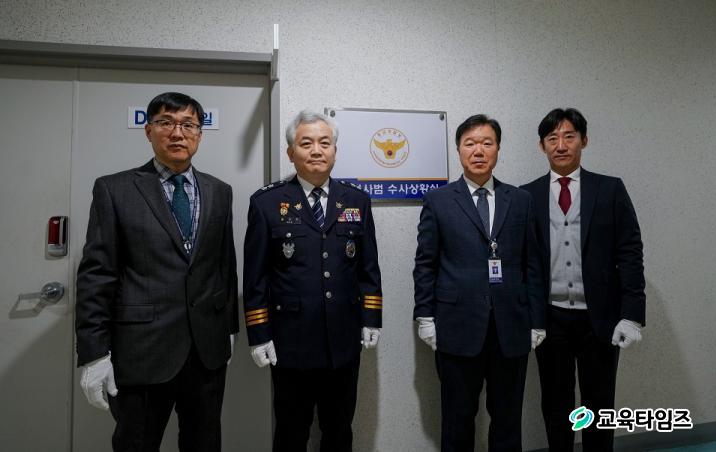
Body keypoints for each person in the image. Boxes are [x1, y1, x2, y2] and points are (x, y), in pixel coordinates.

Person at [75, 92, 238, 452]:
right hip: (142, 351)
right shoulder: (115, 189)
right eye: (166, 123)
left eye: (188, 125)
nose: (178, 133)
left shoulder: (220, 191)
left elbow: (224, 267)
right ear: (148, 131)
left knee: (204, 443)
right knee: (136, 444)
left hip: (206, 352)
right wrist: (94, 352)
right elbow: (97, 275)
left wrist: (229, 327)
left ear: (200, 134)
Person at [243, 110, 383, 452]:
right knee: (291, 431)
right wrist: (259, 334)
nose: (317, 150)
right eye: (306, 143)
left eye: (325, 143)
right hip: (291, 343)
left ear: (335, 151)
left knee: (339, 429)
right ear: (291, 152)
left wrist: (371, 318)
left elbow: (368, 269)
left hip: (344, 340)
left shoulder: (356, 201)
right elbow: (255, 277)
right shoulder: (267, 203)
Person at [413, 114, 545, 452]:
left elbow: (532, 264)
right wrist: (425, 316)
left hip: (510, 328)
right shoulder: (439, 200)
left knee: (507, 419)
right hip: (456, 327)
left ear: (498, 148)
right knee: (458, 419)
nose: (479, 151)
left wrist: (537, 320)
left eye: (487, 143)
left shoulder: (520, 200)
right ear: (458, 149)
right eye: (470, 143)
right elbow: (425, 264)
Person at [520, 108, 645, 452]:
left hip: (599, 319)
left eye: (569, 136)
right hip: (550, 319)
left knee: (600, 404)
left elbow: (630, 251)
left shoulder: (610, 189)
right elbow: (522, 262)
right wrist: (527, 317)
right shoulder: (526, 196)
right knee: (555, 404)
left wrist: (632, 314)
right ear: (542, 146)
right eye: (552, 138)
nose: (561, 145)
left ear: (584, 141)